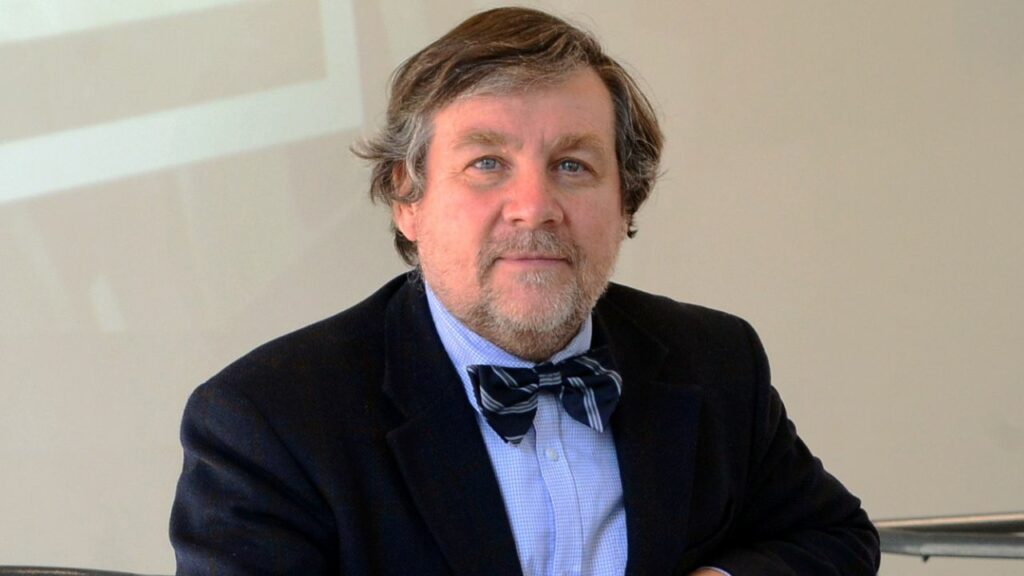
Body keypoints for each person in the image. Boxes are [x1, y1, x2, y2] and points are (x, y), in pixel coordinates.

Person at [170, 7, 880, 575]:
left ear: (626, 202)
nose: (535, 207)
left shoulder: (717, 359)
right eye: (487, 163)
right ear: (407, 197)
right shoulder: (267, 421)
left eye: (573, 165)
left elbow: (832, 538)